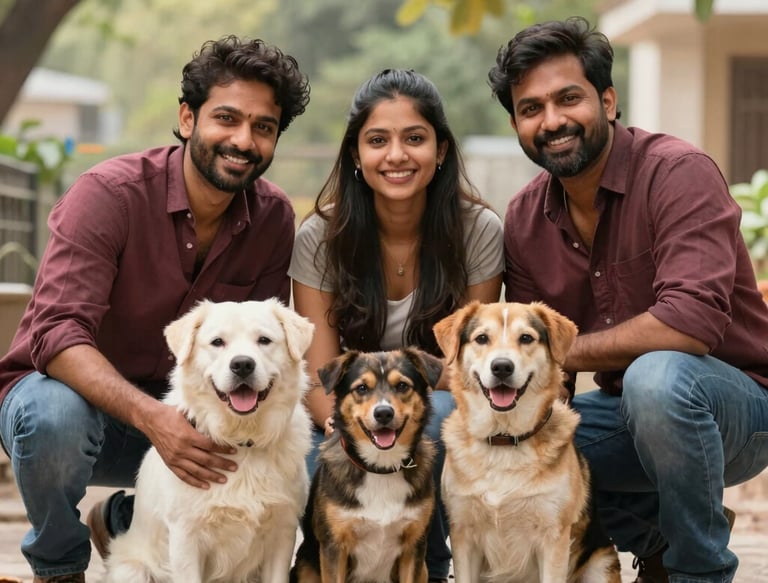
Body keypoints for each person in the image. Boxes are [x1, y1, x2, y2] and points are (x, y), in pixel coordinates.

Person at [0, 35, 310, 583]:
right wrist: (154, 418)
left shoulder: (273, 218)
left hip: (196, 418)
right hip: (83, 415)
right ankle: (60, 565)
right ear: (188, 118)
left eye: (264, 127)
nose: (244, 140)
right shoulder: (109, 194)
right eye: (227, 118)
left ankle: (128, 519)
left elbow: (257, 347)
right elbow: (56, 333)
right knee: (53, 418)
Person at [489, 16, 768, 583]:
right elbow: (539, 370)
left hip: (742, 410)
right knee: (518, 442)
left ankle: (701, 571)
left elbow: (689, 324)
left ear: (608, 100)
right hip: (631, 416)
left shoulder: (676, 173)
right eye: (531, 108)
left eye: (569, 98)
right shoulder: (523, 217)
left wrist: (560, 354)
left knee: (657, 377)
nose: (552, 121)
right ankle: (657, 544)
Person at [289, 68, 503, 582]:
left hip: (428, 407)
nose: (397, 155)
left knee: (436, 415)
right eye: (377, 140)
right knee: (317, 460)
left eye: (415, 138)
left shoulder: (478, 230)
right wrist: (353, 436)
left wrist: (401, 408)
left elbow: (466, 369)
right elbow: (319, 376)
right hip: (348, 418)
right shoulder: (321, 236)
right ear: (356, 155)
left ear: (442, 150)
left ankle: (430, 565)